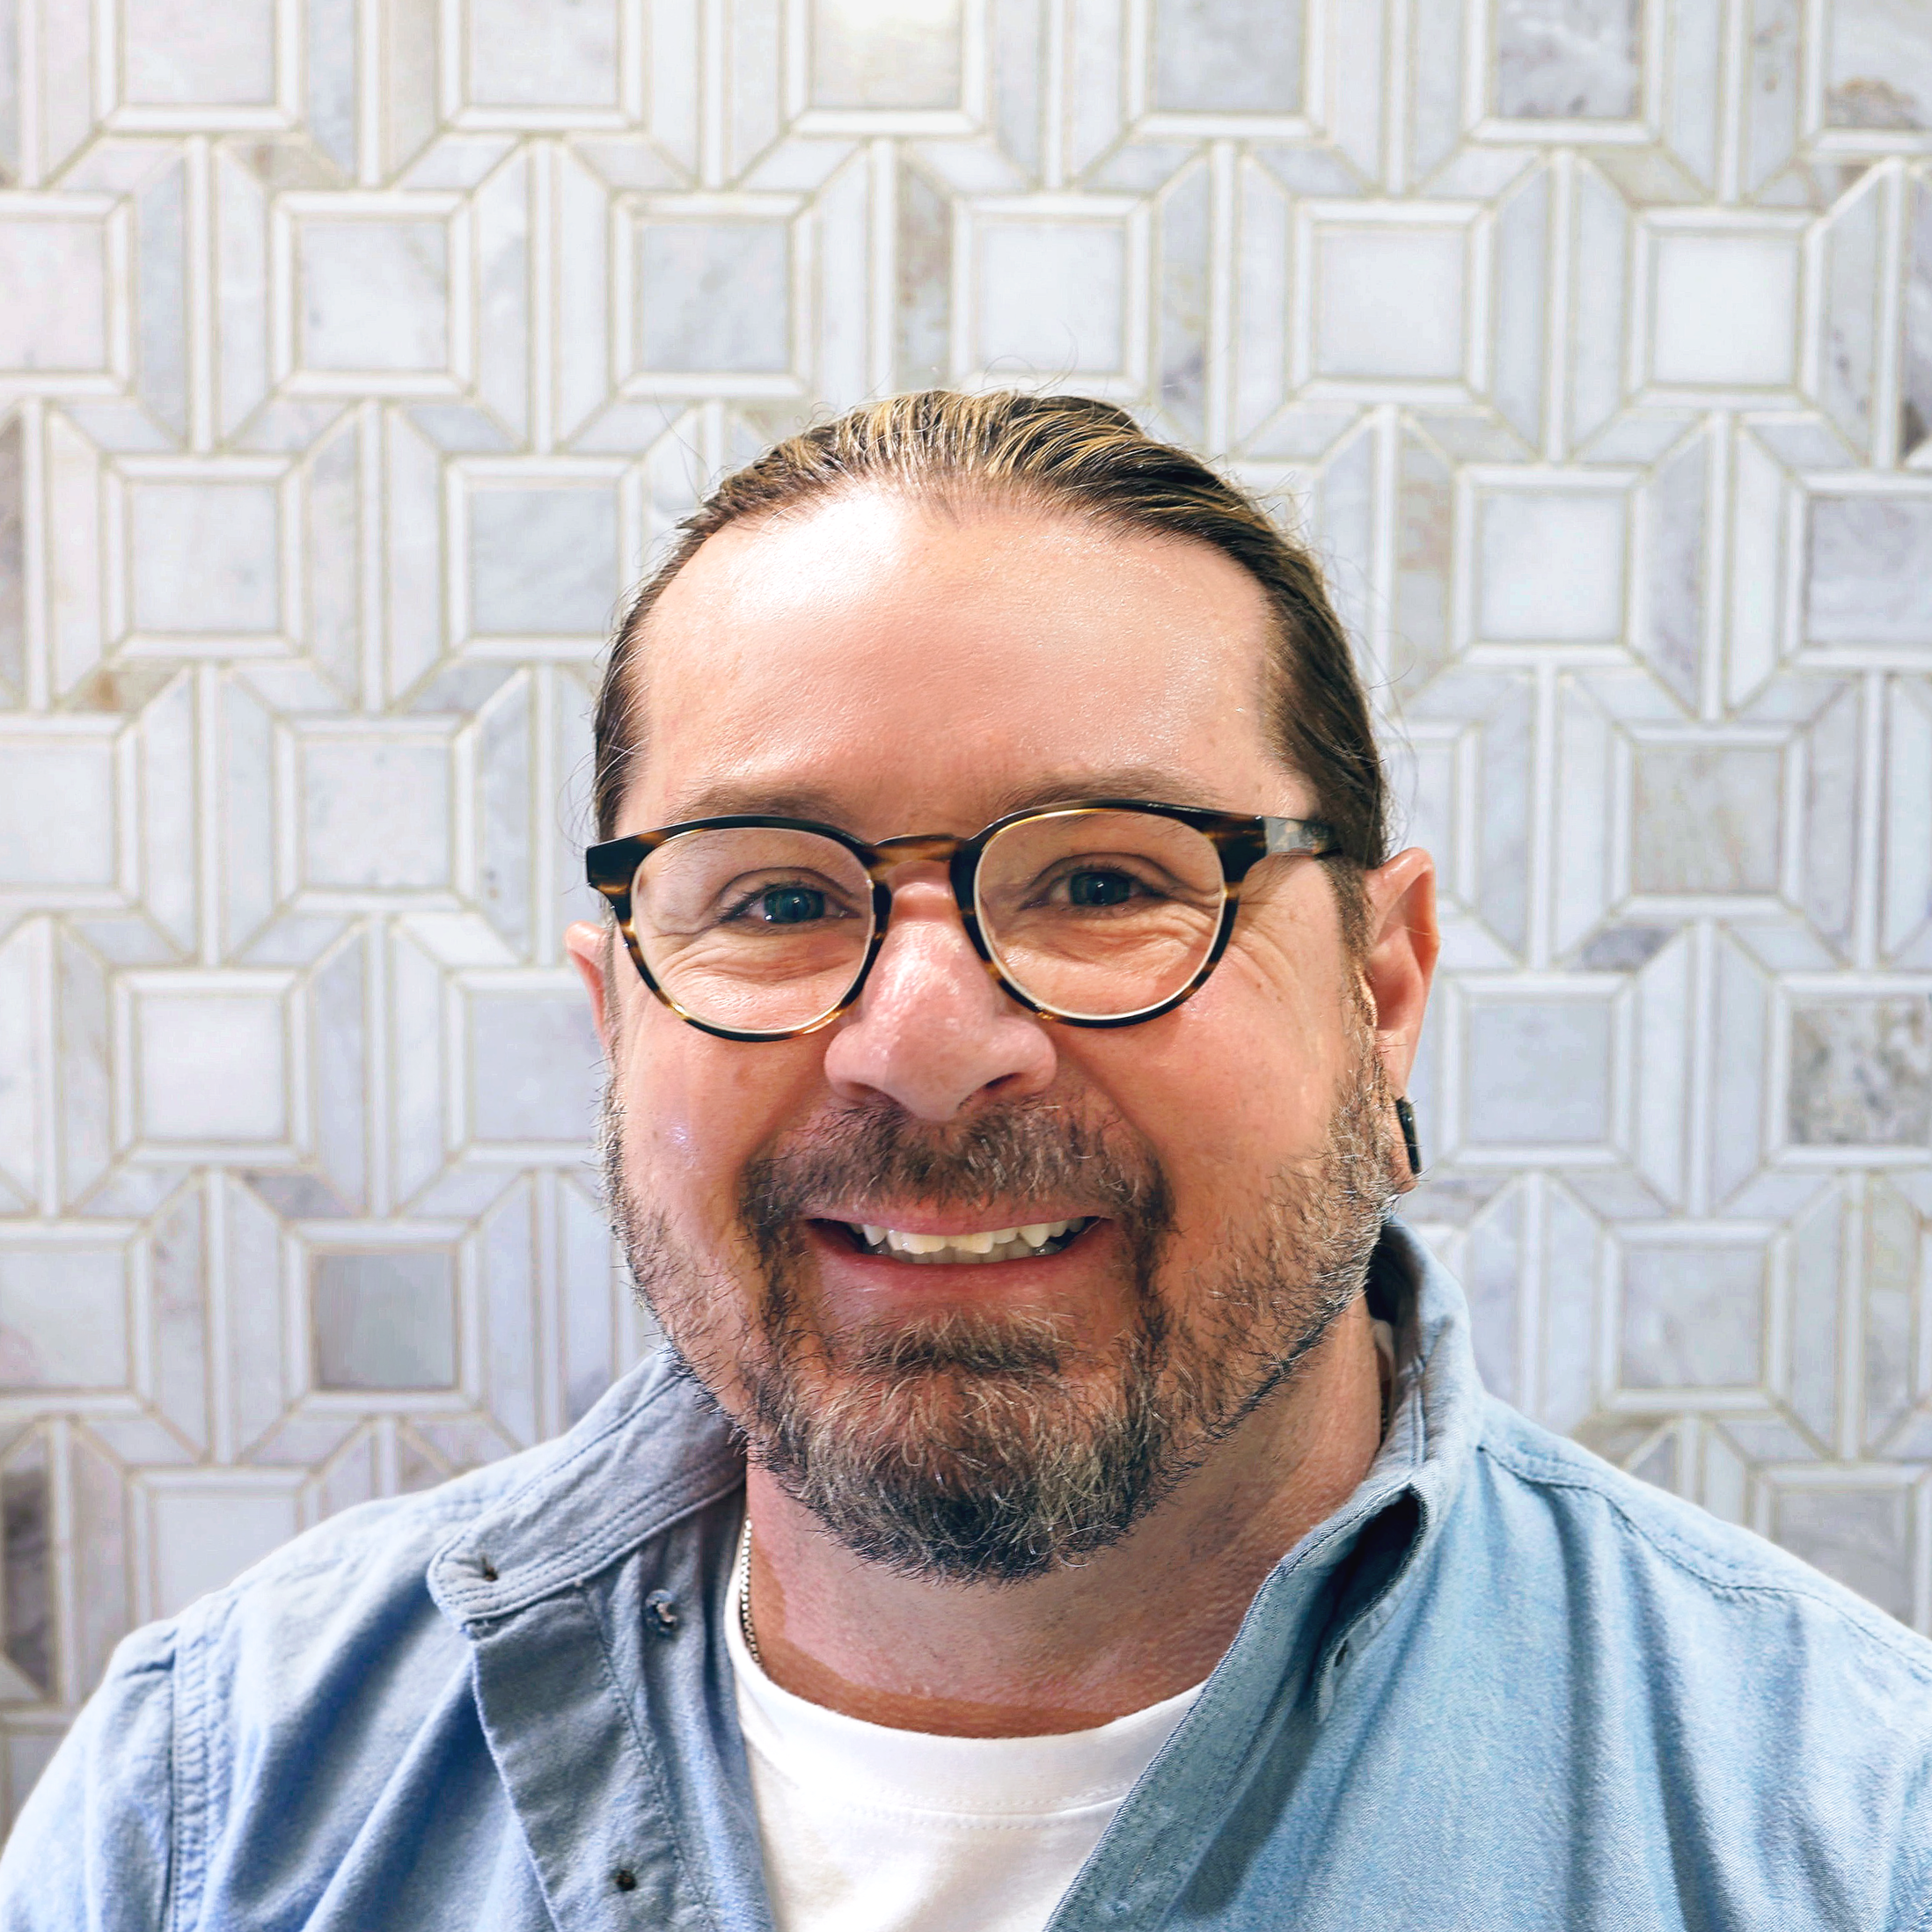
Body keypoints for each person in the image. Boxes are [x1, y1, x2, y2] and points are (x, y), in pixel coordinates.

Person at [4, 391, 1928, 1930]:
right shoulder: (207, 1808)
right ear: (618, 1014)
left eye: (1104, 882)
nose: (923, 1044)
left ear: (1381, 983)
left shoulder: (1850, 1832)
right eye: (773, 898)